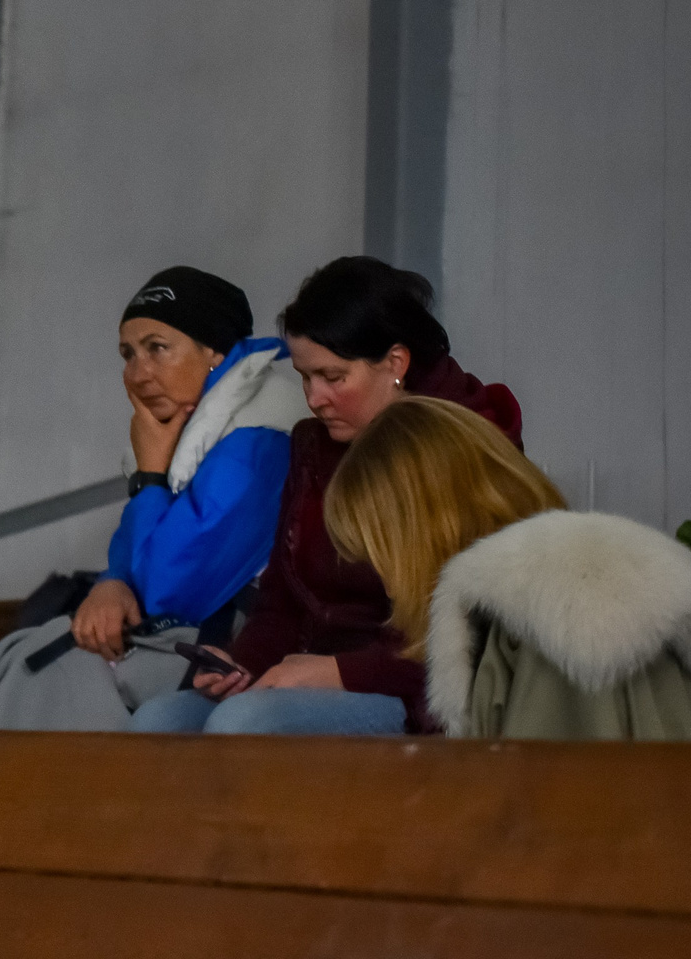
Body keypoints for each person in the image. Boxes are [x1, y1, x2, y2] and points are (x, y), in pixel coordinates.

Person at [130, 256, 520, 736]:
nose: (314, 398)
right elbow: (282, 600)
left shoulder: (463, 447)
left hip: (417, 693)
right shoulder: (313, 447)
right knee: (159, 722)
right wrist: (243, 664)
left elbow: (466, 640)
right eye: (304, 377)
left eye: (333, 378)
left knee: (246, 723)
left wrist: (337, 673)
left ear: (396, 363)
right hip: (313, 674)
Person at [0, 265, 306, 730]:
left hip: (225, 649)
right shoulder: (194, 434)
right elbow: (131, 551)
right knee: (22, 649)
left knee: (49, 667)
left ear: (213, 351)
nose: (137, 372)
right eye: (128, 353)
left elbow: (171, 591)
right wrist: (110, 582)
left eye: (157, 349)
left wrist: (150, 477)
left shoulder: (257, 442)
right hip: (173, 637)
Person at [323, 399, 691, 739]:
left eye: (382, 554)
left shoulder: (560, 622)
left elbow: (560, 826)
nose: (384, 580)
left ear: (421, 539)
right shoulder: (567, 584)